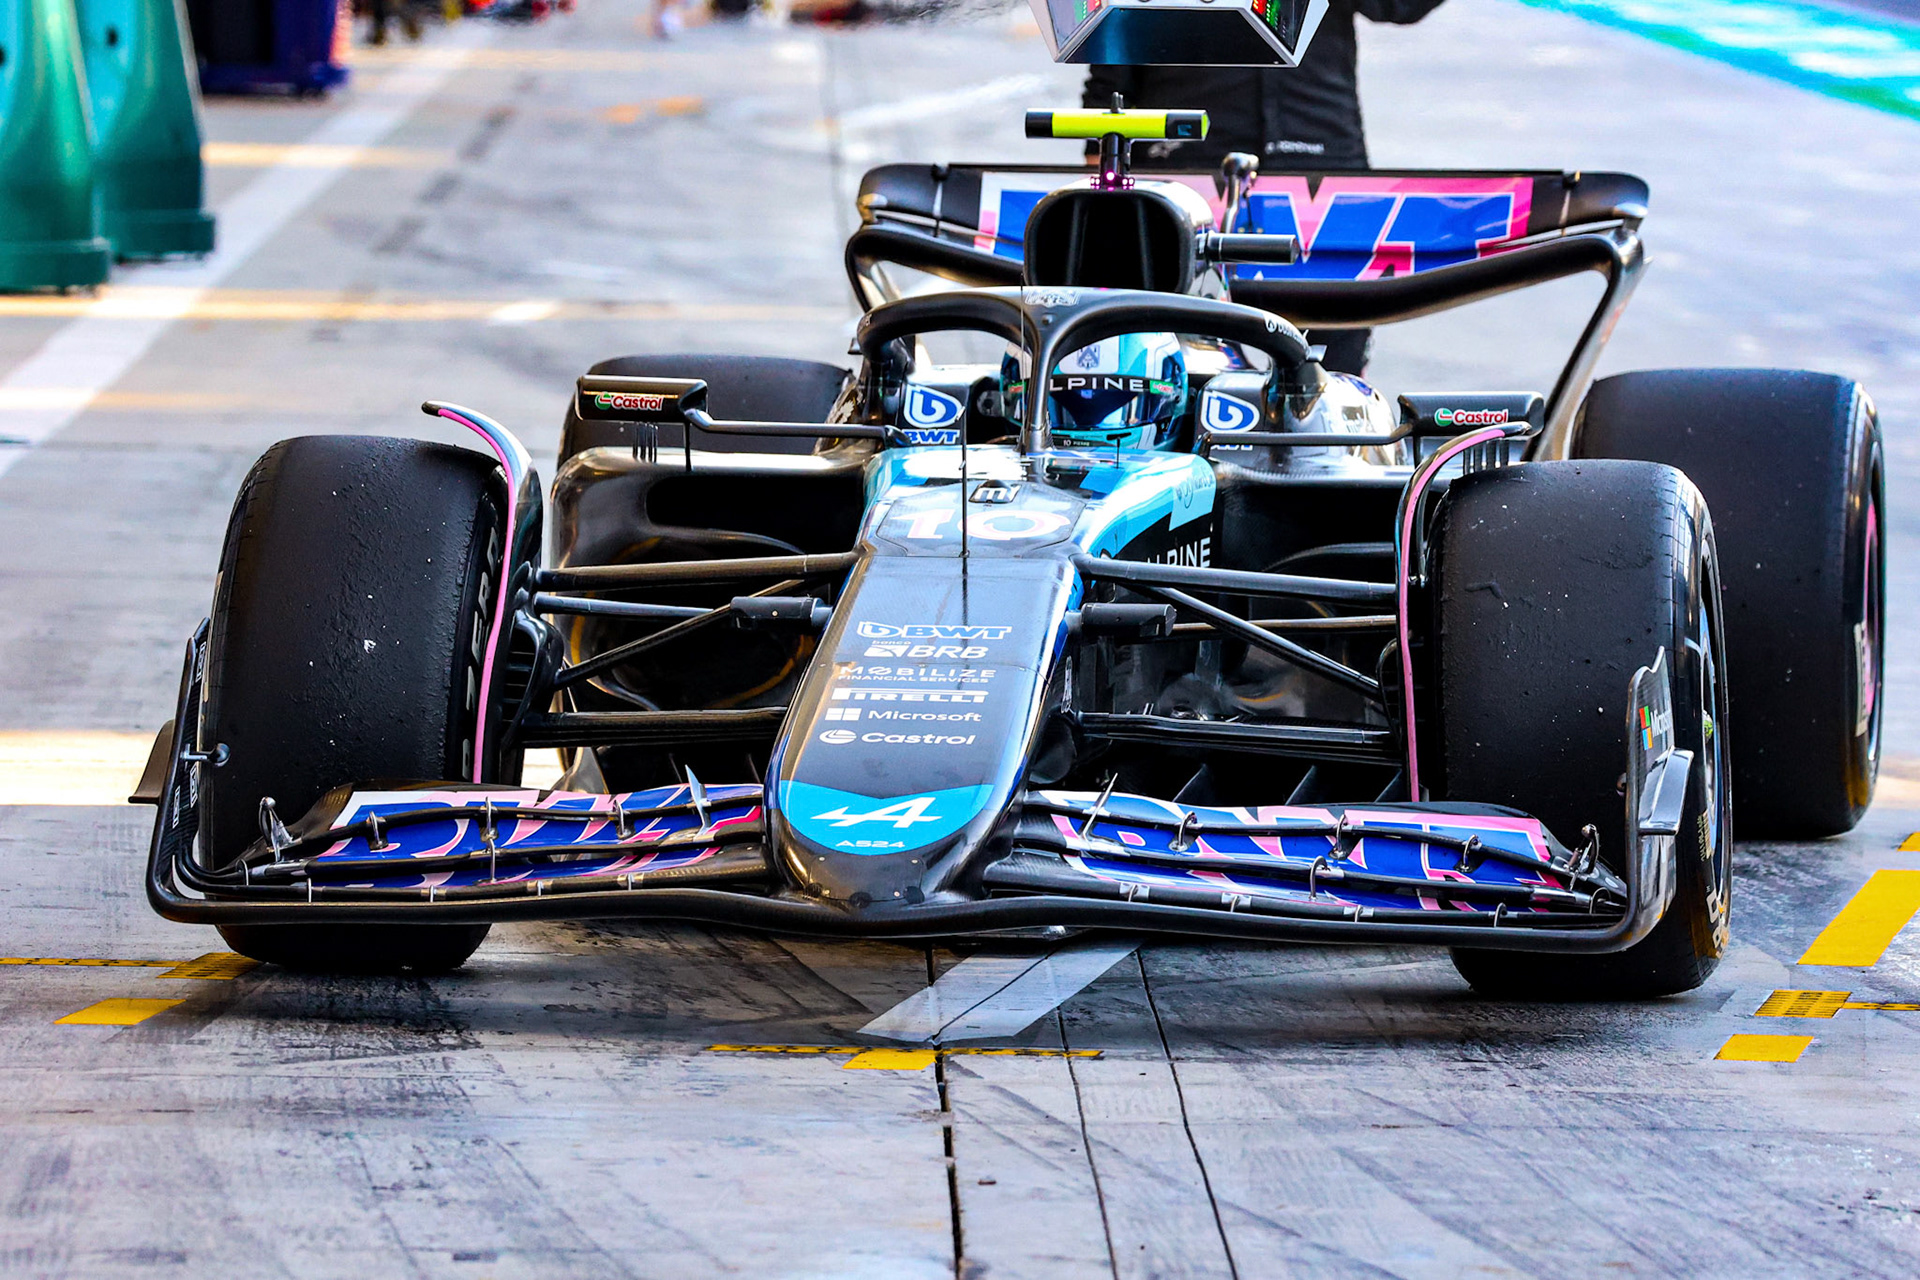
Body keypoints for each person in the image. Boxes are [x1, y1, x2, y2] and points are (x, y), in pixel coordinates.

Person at [1083, 0, 1449, 373]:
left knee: (1332, 366)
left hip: (1323, 168)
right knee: (1177, 358)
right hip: (1186, 170)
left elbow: (1400, 7)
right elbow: (1110, 72)